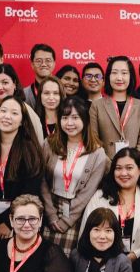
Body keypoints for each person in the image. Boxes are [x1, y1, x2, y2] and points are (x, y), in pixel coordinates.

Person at [40, 96, 108, 256]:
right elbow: (42, 181)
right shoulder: (49, 144)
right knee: (44, 258)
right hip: (49, 208)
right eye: (65, 118)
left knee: (67, 261)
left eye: (75, 118)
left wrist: (67, 220)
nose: (69, 123)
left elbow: (88, 192)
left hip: (76, 213)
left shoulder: (97, 152)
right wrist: (51, 215)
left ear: (85, 119)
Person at [81, 148, 140, 262]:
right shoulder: (100, 197)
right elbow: (85, 232)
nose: (123, 173)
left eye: (129, 168)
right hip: (102, 263)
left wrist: (135, 254)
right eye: (118, 168)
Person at [0, 97, 47, 244]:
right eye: (3, 111)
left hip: (17, 221)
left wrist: (8, 221)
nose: (7, 116)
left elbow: (30, 192)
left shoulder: (30, 151)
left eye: (14, 113)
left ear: (22, 121)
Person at [89, 56, 140, 162]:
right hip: (104, 168)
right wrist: (109, 165)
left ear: (130, 76)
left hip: (132, 170)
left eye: (124, 73)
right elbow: (93, 141)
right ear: (108, 76)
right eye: (114, 73)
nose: (119, 78)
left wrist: (133, 164)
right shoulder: (97, 106)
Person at [23, 43, 57, 109]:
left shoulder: (62, 91)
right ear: (32, 64)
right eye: (39, 61)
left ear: (54, 64)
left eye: (48, 61)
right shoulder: (24, 94)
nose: (43, 64)